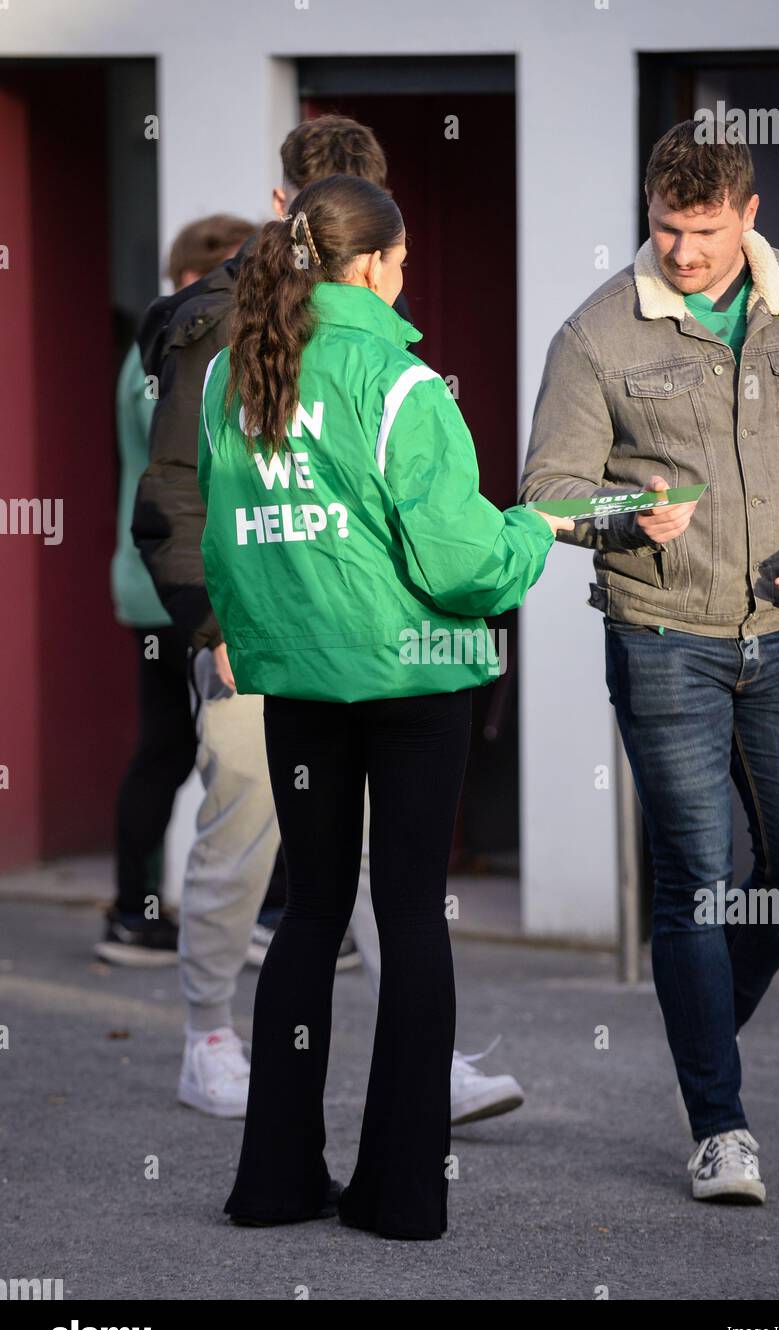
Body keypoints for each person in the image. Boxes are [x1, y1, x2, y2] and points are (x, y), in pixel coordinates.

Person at [519, 120, 779, 1205]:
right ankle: (718, 1124)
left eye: (700, 230)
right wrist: (626, 513)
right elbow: (546, 491)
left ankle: (701, 1019)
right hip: (661, 638)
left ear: (746, 215)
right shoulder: (596, 333)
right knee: (695, 876)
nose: (679, 252)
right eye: (662, 228)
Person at [133, 115, 530, 1126]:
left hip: (306, 642)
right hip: (253, 635)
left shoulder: (322, 347)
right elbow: (183, 496)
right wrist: (210, 625)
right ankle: (207, 1034)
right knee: (250, 837)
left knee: (344, 882)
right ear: (295, 216)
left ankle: (413, 1060)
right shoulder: (223, 335)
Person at [199, 173, 570, 1239]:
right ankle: (401, 1193)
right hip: (413, 679)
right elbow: (460, 565)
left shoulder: (234, 370)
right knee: (409, 920)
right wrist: (536, 532)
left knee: (309, 916)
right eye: (400, 263)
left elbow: (225, 543)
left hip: (299, 685)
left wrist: (249, 640)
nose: (404, 281)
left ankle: (271, 1183)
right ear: (370, 266)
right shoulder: (403, 386)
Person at [99, 215, 255, 965]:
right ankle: (135, 912)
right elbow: (187, 460)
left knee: (181, 746)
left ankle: (144, 910)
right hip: (168, 586)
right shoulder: (166, 358)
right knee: (170, 749)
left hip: (165, 581)